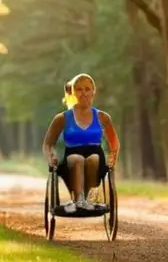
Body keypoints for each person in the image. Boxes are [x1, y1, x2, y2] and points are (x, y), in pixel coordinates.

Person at [42, 73, 120, 213]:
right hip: (71, 158)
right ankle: (79, 200)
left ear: (93, 92)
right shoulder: (62, 118)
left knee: (93, 159)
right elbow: (48, 144)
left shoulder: (102, 117)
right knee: (76, 159)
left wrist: (113, 157)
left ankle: (86, 197)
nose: (83, 93)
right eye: (79, 89)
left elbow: (114, 142)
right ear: (73, 92)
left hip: (96, 156)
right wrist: (50, 157)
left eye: (87, 89)